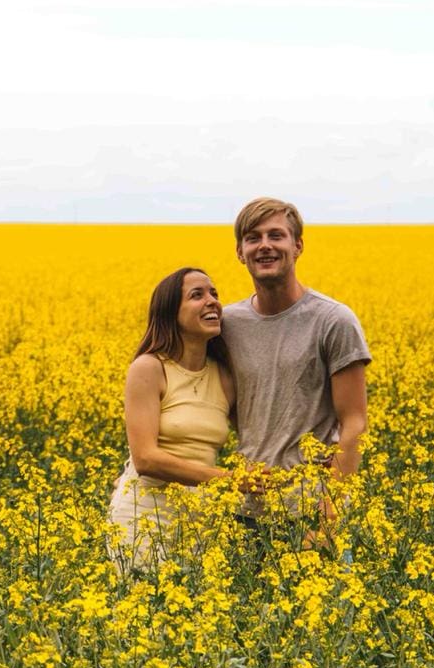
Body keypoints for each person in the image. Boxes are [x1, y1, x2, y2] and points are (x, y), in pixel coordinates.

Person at [222, 197, 371, 524]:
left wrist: (328, 517)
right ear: (239, 251)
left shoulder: (333, 321)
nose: (264, 246)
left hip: (310, 510)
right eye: (253, 238)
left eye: (276, 236)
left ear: (298, 245)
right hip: (246, 511)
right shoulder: (226, 324)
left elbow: (354, 423)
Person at [108, 266, 235, 568]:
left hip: (198, 522)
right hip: (144, 518)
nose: (212, 301)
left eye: (214, 293)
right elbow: (145, 459)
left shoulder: (225, 377)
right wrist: (229, 481)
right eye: (197, 295)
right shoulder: (149, 368)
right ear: (170, 313)